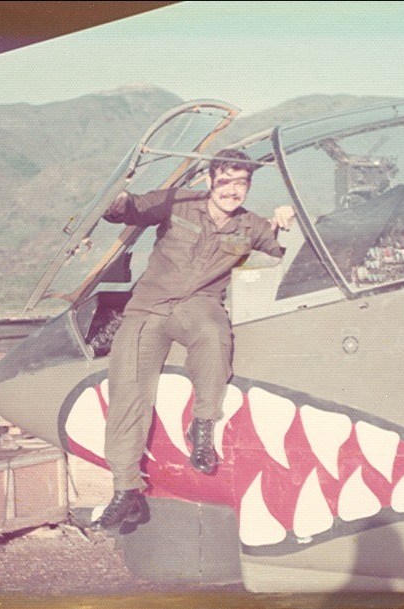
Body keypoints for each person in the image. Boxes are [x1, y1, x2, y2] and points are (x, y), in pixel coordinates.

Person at [90, 149, 295, 531]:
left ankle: (202, 425)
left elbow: (290, 253)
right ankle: (125, 491)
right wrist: (117, 195)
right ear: (209, 180)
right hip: (148, 308)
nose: (233, 191)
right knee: (127, 390)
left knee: (213, 335)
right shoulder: (178, 202)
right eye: (226, 181)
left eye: (242, 183)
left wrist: (288, 221)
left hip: (196, 306)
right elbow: (128, 209)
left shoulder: (251, 226)